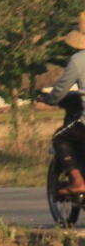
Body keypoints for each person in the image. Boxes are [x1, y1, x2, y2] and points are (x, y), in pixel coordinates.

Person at [41, 13, 85, 195]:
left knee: (59, 137)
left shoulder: (78, 60)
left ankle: (77, 181)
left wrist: (49, 99)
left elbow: (60, 91)